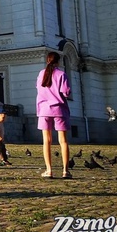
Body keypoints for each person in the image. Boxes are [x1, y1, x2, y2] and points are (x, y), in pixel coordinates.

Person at [36, 51, 72, 179]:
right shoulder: (62, 74)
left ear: (47, 61)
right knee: (63, 141)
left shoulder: (41, 74)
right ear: (58, 61)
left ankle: (49, 170)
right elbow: (66, 92)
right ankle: (65, 171)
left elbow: (39, 89)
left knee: (47, 141)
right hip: (59, 110)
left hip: (44, 110)